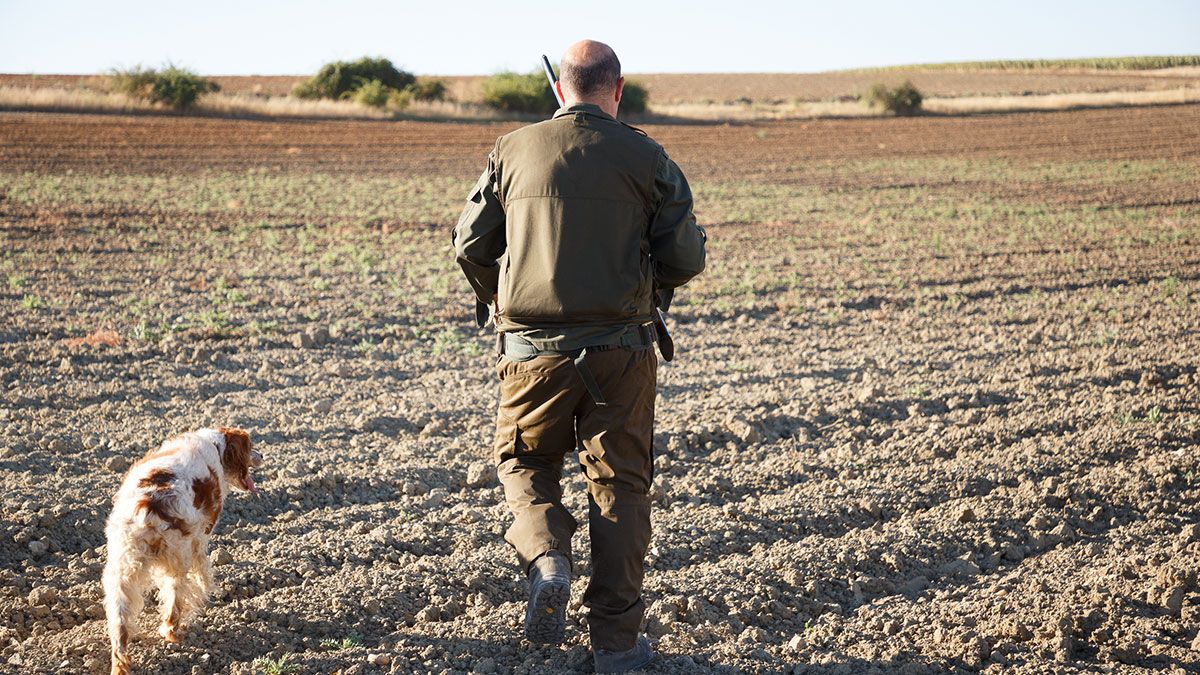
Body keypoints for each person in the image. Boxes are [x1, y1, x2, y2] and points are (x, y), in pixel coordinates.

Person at [452, 39, 706, 673]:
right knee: (620, 484)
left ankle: (546, 559)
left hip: (531, 351)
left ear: (560, 89)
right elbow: (687, 257)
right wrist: (650, 290)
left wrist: (502, 300)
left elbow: (470, 246)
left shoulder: (513, 150)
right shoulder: (648, 155)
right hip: (622, 353)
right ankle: (617, 648)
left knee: (525, 461)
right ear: (616, 90)